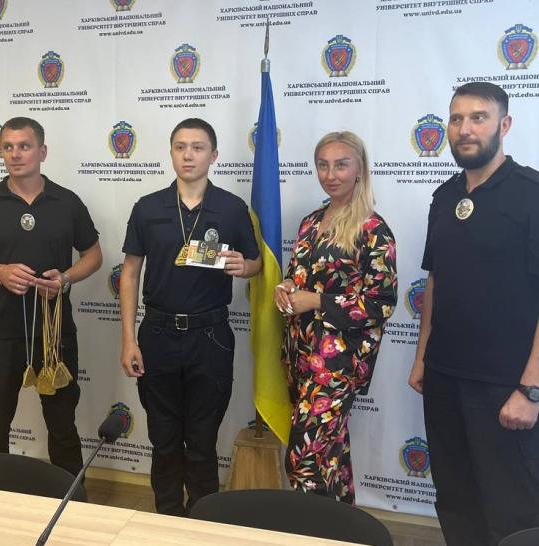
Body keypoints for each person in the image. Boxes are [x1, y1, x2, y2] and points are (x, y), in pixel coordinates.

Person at [408, 81, 539, 546]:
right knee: (455, 500)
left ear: (505, 125)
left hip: (505, 385)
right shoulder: (444, 197)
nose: (465, 129)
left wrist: (531, 388)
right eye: (457, 118)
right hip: (444, 377)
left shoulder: (531, 194)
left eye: (478, 118)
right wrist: (422, 358)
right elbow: (435, 281)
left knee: (512, 511)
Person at [119, 118, 262, 516]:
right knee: (164, 439)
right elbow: (129, 273)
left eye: (197, 147)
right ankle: (166, 519)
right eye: (180, 146)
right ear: (170, 152)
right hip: (158, 334)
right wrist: (128, 339)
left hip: (210, 335)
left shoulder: (232, 207)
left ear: (213, 156)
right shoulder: (148, 207)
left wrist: (244, 266)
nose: (188, 155)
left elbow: (254, 263)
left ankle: (203, 521)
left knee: (201, 441)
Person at [0, 116, 102, 477]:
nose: (15, 154)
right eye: (8, 147)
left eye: (24, 146)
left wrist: (65, 278)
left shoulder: (67, 202)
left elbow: (94, 255)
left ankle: (72, 500)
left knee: (62, 427)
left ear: (42, 152)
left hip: (54, 334)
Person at [275, 131, 397, 503]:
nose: (331, 175)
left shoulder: (373, 230)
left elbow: (381, 303)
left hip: (337, 364)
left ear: (359, 169)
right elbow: (301, 276)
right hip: (301, 354)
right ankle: (344, 524)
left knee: (305, 458)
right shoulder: (311, 221)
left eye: (341, 165)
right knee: (332, 455)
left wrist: (316, 301)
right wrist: (287, 287)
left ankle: (310, 529)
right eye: (323, 165)